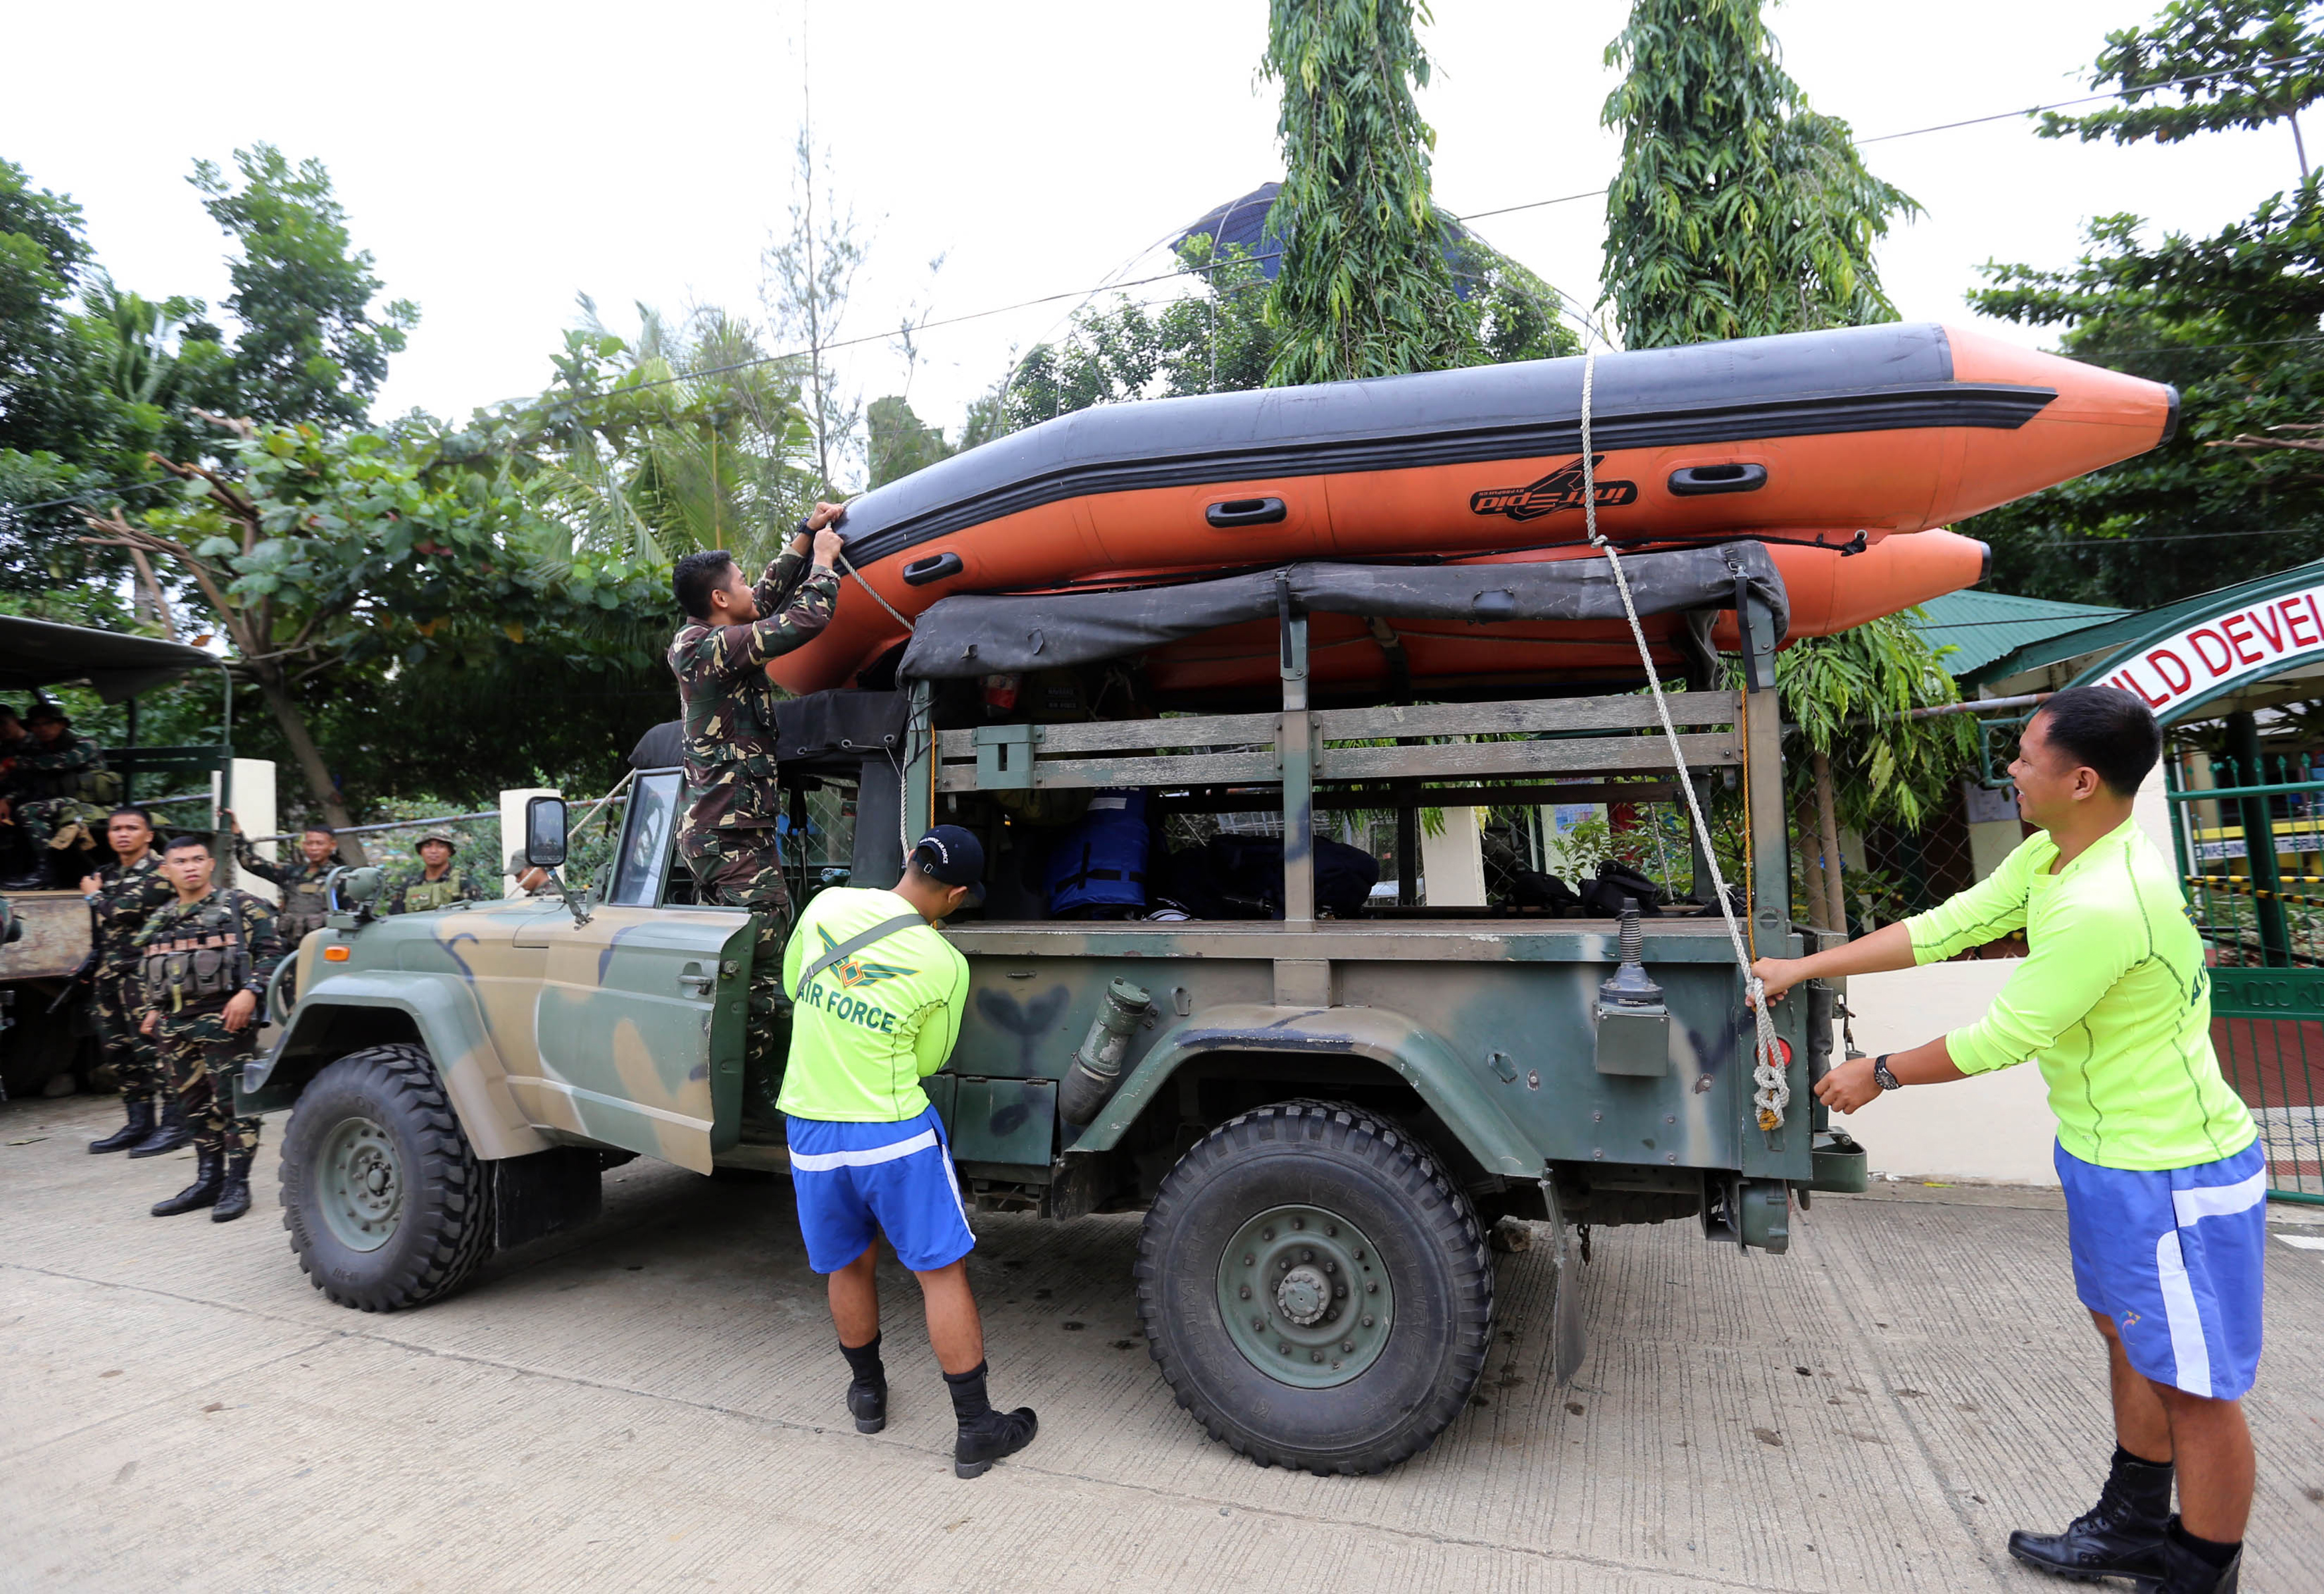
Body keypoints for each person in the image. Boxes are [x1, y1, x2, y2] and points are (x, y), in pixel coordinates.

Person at [1753, 687, 2262, 1594]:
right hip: (2110, 1159)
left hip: (2175, 1171)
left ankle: (2198, 1573)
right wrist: (1804, 965)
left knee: (2196, 1387)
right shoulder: (2058, 858)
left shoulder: (2109, 900)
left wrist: (1881, 1072)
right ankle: (2134, 1524)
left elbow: (2004, 1036)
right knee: (2127, 1336)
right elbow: (1953, 925)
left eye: (2026, 757)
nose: (2011, 771)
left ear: (2082, 779)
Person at [778, 825, 1037, 1480]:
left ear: (906, 861)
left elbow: (791, 989)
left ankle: (867, 1394)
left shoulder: (826, 907)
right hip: (890, 1132)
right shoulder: (944, 964)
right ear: (954, 895)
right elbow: (929, 1060)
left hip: (810, 1128)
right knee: (939, 1273)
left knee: (847, 1263)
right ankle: (976, 1428)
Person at [669, 506, 844, 1052]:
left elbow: (764, 600)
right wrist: (823, 563)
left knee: (744, 958)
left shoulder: (719, 637)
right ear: (719, 600)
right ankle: (757, 1094)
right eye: (738, 581)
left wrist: (805, 534)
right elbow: (803, 619)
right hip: (730, 838)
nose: (749, 586)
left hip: (728, 833)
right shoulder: (703, 648)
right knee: (763, 967)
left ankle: (736, 1078)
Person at [132, 833, 284, 1222]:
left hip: (224, 1021)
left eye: (198, 859)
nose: (191, 867)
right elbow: (150, 965)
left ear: (211, 863)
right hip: (174, 1028)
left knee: (235, 1105)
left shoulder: (241, 906)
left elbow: (274, 954)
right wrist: (153, 1008)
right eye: (181, 862)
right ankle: (208, 1180)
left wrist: (250, 991)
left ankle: (237, 1184)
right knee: (194, 1107)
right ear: (166, 870)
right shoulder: (162, 916)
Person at [80, 808, 185, 1156]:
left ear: (149, 835)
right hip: (110, 975)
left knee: (156, 1051)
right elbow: (104, 929)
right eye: (116, 829)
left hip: (147, 977)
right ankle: (139, 1124)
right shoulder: (106, 874)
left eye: (132, 828)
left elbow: (121, 911)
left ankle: (176, 1124)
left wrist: (94, 896)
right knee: (120, 1053)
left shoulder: (161, 872)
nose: (123, 834)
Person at [0, 700, 114, 884]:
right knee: (16, 811)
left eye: (48, 723)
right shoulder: (39, 750)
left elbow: (62, 761)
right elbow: (30, 785)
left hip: (87, 806)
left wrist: (14, 763)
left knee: (28, 811)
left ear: (62, 724)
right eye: (36, 725)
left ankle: (47, 872)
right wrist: (8, 799)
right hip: (59, 803)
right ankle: (17, 869)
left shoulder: (83, 744)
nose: (42, 729)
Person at [228, 812, 339, 996]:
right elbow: (252, 863)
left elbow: (352, 916)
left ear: (332, 845)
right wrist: (237, 833)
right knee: (292, 1000)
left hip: (324, 952)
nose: (314, 848)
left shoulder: (340, 877)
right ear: (303, 845)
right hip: (290, 951)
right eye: (309, 843)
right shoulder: (292, 874)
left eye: (320, 843)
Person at [383, 832, 487, 915]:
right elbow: (395, 916)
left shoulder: (463, 882)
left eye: (441, 846)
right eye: (428, 846)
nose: (433, 851)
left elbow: (477, 916)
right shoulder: (409, 885)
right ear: (420, 852)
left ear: (450, 852)